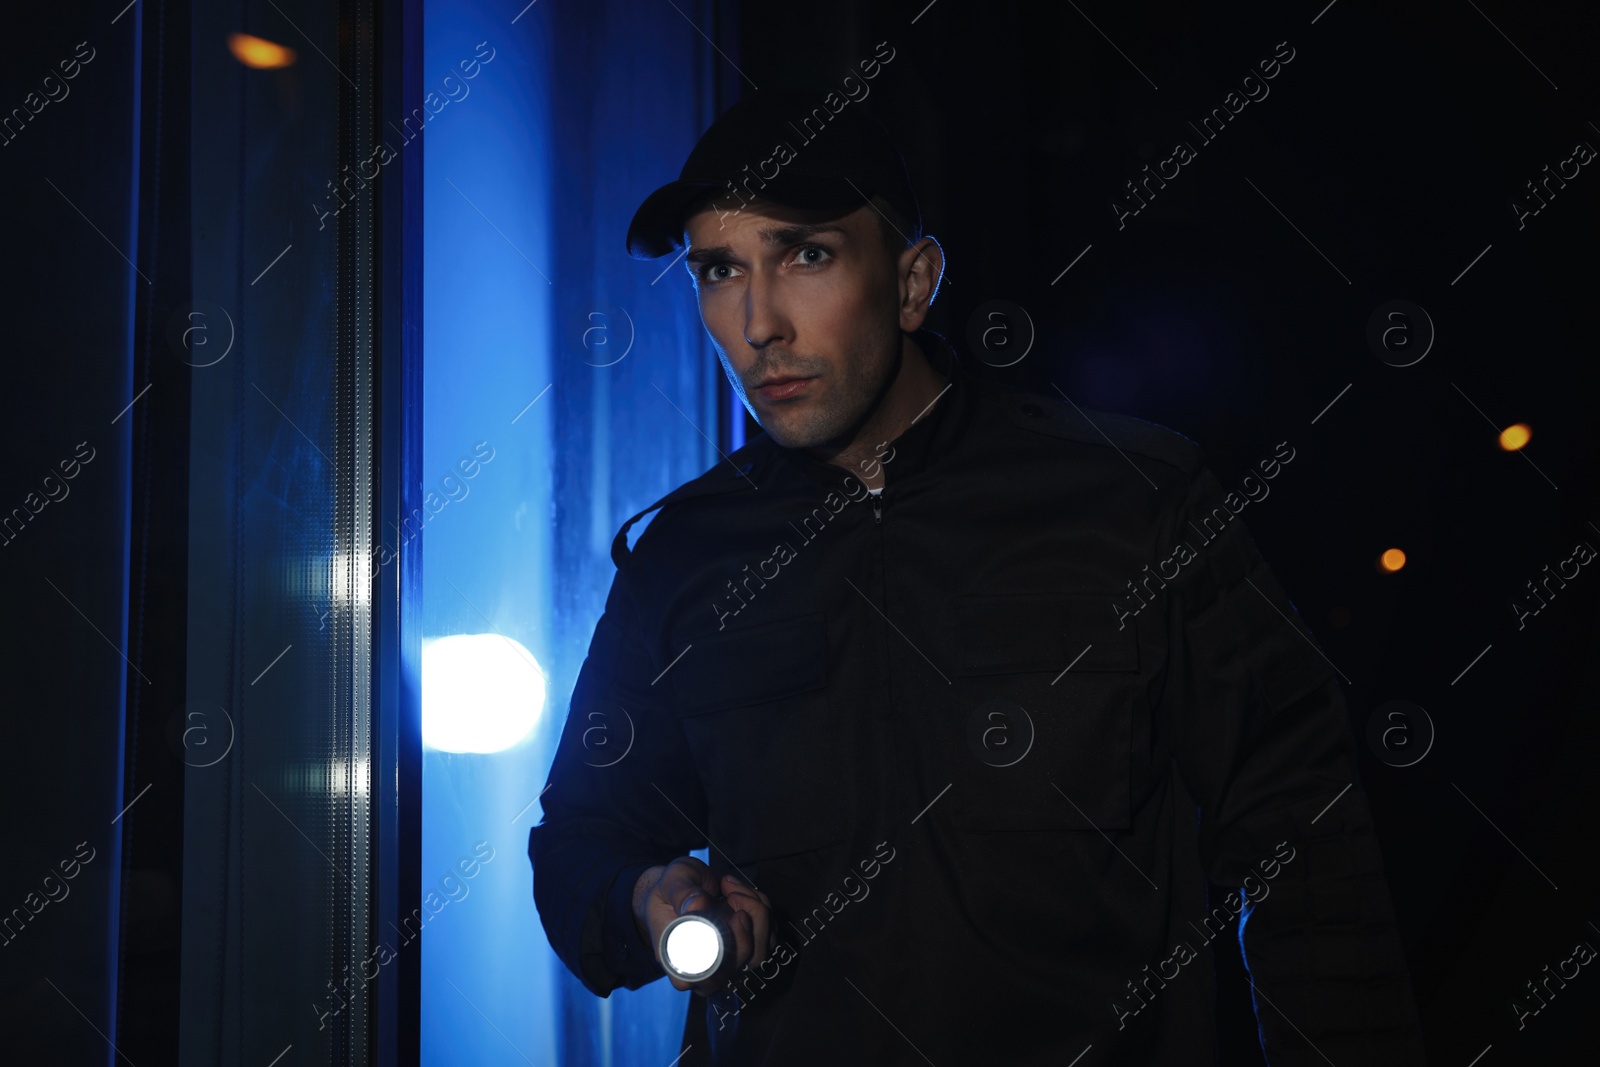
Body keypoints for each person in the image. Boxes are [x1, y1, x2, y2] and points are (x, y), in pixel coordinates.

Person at [528, 88, 1428, 1066]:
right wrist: (650, 896)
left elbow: (1307, 838)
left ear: (912, 282)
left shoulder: (1131, 502)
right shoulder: (686, 557)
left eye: (807, 255)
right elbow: (579, 840)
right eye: (718, 270)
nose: (758, 322)